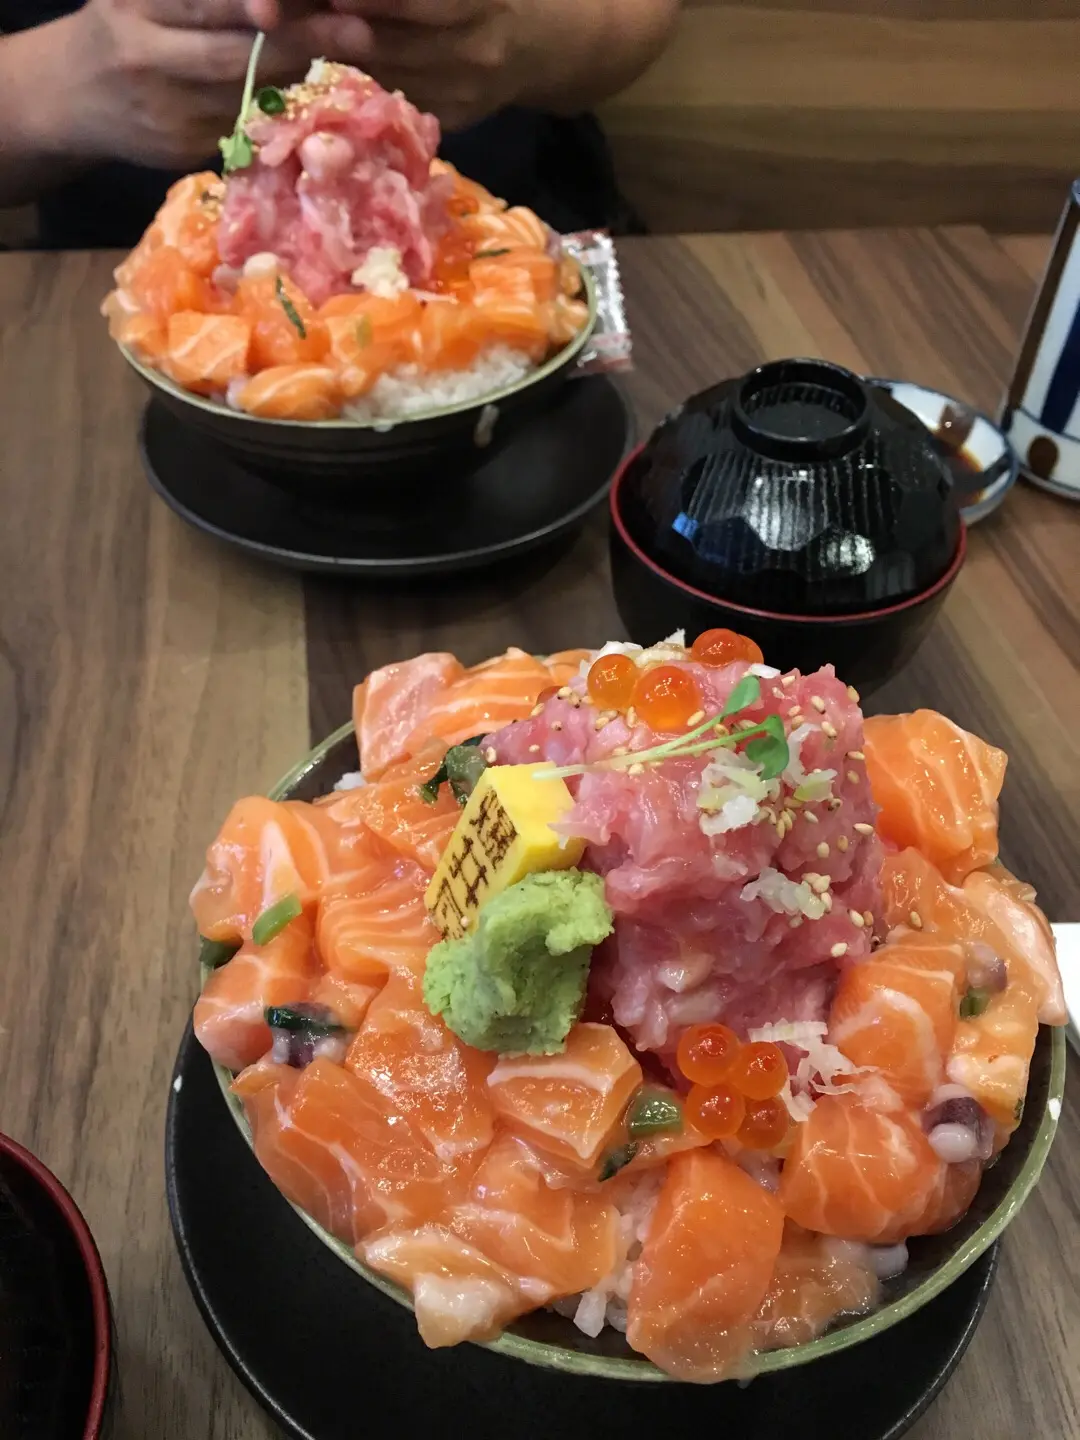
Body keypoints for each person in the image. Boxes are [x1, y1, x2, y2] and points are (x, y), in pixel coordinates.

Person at [0, 0, 679, 247]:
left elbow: (634, 19)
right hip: (93, 299)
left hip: (524, 248)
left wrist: (527, 35)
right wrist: (49, 89)